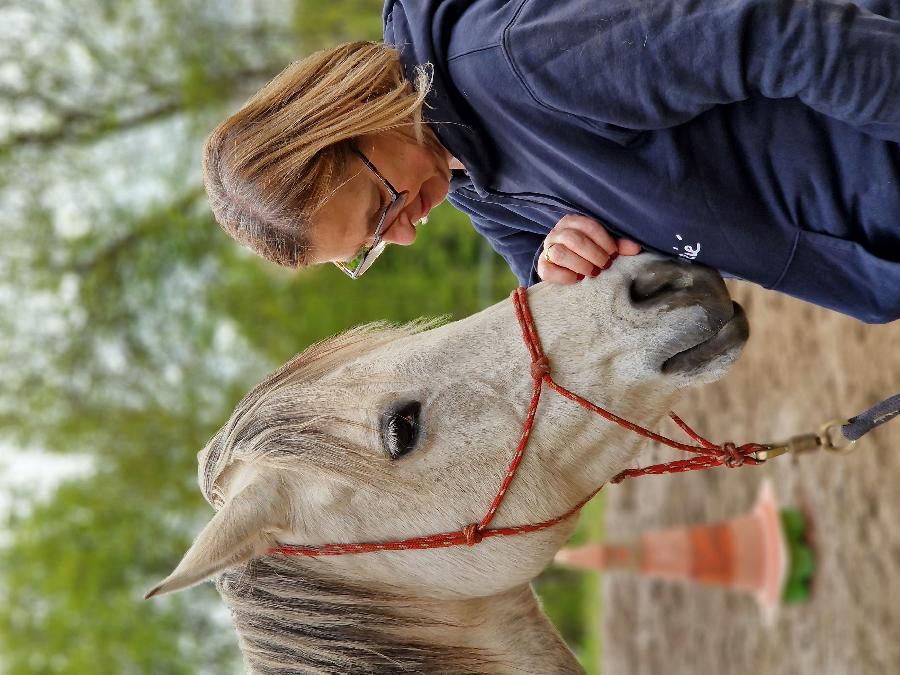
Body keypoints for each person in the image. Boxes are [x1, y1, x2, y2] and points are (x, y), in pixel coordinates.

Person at [203, 0, 900, 323]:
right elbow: (535, 257)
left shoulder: (518, 63)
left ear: (349, 119)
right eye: (373, 246)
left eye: (380, 209)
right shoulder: (454, 167)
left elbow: (777, 34)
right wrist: (554, 266)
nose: (407, 232)